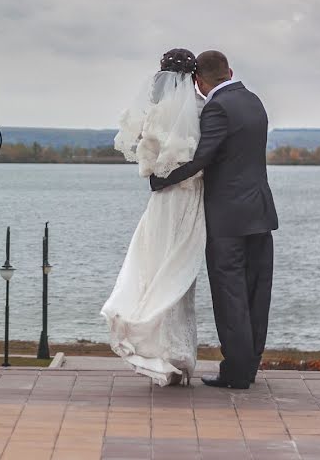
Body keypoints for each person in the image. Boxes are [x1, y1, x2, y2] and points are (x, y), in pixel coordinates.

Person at [150, 50, 278, 389]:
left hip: (228, 216)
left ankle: (235, 371)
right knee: (255, 292)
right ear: (230, 70)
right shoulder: (253, 100)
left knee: (230, 292)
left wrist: (161, 179)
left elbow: (203, 157)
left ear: (199, 81)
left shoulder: (218, 107)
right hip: (260, 212)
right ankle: (249, 366)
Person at [101, 48, 205, 386]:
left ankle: (162, 352)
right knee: (179, 274)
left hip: (162, 204)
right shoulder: (203, 111)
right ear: (192, 77)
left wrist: (161, 176)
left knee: (156, 268)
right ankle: (178, 355)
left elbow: (149, 170)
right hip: (189, 201)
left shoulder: (155, 116)